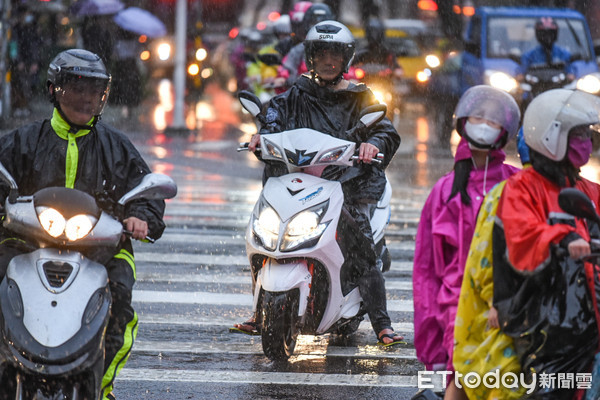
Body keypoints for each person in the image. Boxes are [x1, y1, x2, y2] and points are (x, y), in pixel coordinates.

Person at [0, 49, 166, 400]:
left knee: (120, 303)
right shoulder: (23, 141)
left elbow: (144, 189)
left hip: (100, 248)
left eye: (93, 90)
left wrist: (141, 217)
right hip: (27, 242)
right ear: (53, 90)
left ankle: (99, 387)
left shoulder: (116, 145)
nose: (85, 97)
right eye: (75, 88)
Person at [232, 20, 403, 346]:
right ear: (311, 57)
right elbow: (271, 119)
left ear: (345, 59)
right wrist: (260, 138)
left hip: (347, 183)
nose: (328, 60)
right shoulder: (295, 94)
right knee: (265, 233)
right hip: (296, 181)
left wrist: (373, 145)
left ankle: (382, 322)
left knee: (361, 245)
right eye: (322, 54)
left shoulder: (360, 97)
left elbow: (385, 129)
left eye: (335, 55)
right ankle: (260, 310)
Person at [413, 85, 521, 399]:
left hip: (504, 309)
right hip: (454, 313)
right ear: (463, 120)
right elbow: (426, 271)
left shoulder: (517, 186)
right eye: (479, 116)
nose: (485, 123)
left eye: (493, 119)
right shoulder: (444, 191)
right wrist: (431, 344)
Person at [492, 89, 600, 399]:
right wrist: (563, 238)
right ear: (552, 137)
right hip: (543, 322)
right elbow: (523, 234)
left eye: (587, 134)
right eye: (578, 135)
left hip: (585, 318)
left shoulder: (586, 188)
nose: (587, 142)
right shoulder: (521, 189)